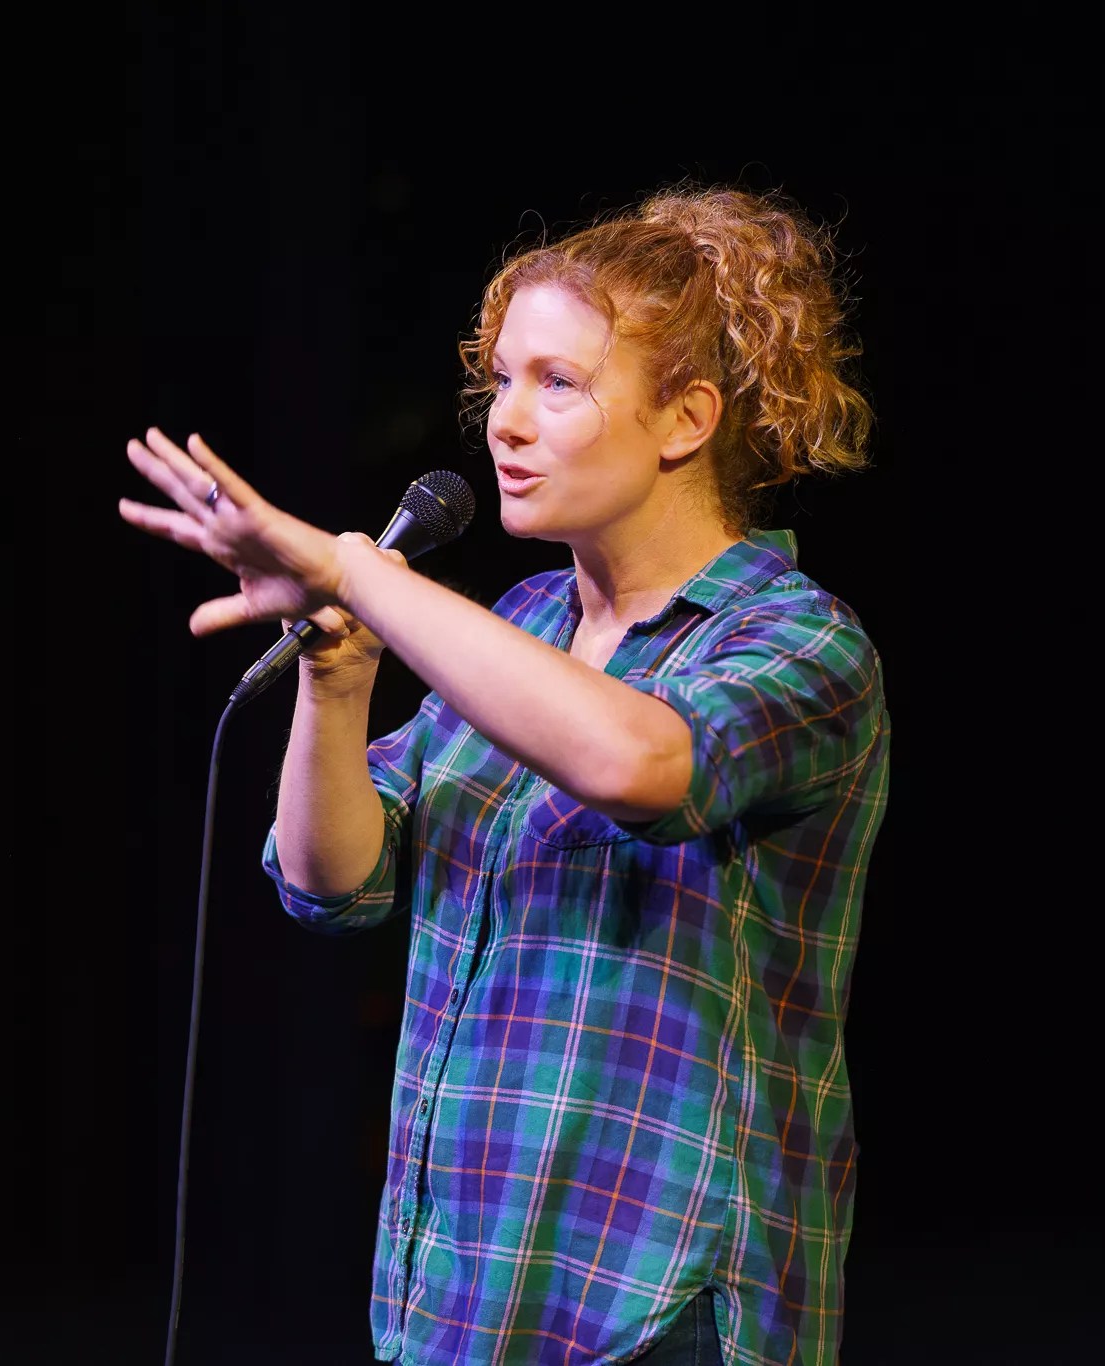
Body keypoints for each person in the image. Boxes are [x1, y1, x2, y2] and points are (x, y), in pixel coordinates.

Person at [118, 183, 890, 1366]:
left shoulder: (797, 644)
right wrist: (338, 674)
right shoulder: (514, 630)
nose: (504, 424)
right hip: (466, 1301)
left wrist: (358, 570)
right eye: (501, 382)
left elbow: (638, 761)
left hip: (661, 1308)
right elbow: (333, 882)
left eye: (558, 384)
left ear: (683, 418)